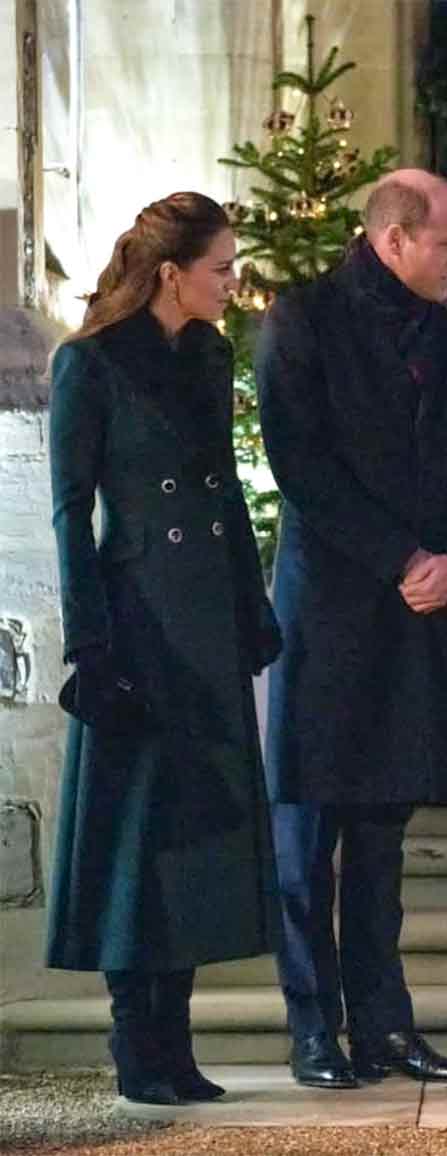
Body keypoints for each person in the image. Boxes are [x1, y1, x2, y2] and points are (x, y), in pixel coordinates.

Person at [256, 169, 447, 1089]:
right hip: (332, 609)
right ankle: (313, 1028)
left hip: (421, 611)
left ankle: (386, 1029)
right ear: (395, 240)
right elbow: (301, 468)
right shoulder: (302, 320)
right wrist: (405, 558)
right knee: (307, 829)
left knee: (383, 833)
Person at [46, 192, 282, 1105]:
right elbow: (71, 514)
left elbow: (222, 493)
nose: (235, 282)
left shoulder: (212, 354)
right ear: (173, 273)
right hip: (138, 624)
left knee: (193, 831)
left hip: (208, 620)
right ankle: (133, 1040)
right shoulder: (92, 364)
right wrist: (90, 644)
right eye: (223, 267)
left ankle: (174, 1044)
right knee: (134, 829)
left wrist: (252, 605)